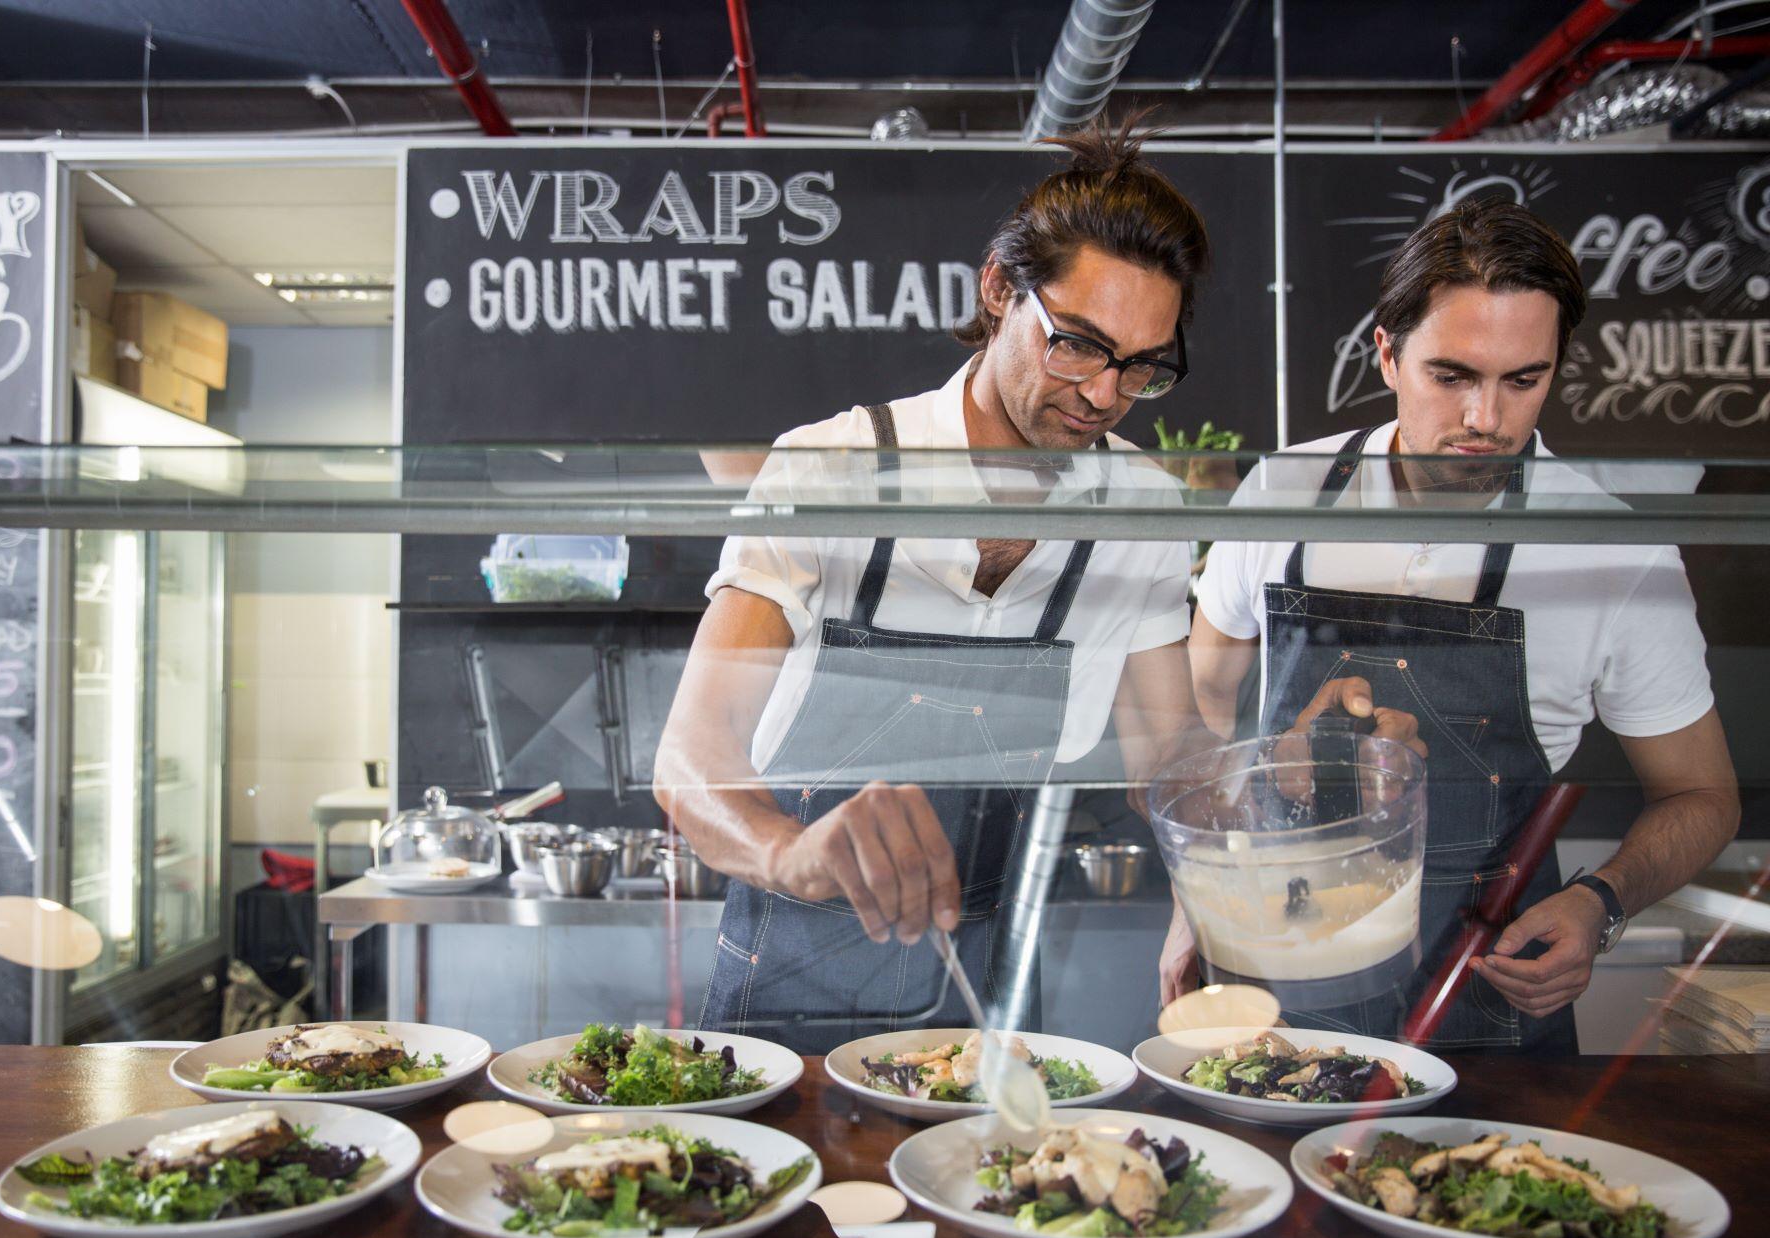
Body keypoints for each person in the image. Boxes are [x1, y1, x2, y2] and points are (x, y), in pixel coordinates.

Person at [652, 119, 1215, 1054]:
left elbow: (1171, 753)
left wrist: (1215, 887)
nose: (1105, 395)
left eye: (1141, 365)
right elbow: (689, 757)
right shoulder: (828, 469)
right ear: (1001, 291)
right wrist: (788, 854)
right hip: (789, 983)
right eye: (1076, 345)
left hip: (990, 995)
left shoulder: (1139, 510)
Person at [1180, 199, 1740, 1053]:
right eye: (1452, 376)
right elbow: (1202, 717)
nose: (1486, 420)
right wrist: (1198, 901)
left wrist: (1603, 904)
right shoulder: (1282, 493)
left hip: (1488, 990)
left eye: (1524, 380)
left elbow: (1704, 796)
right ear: (1387, 353)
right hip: (1281, 978)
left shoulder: (1616, 548)